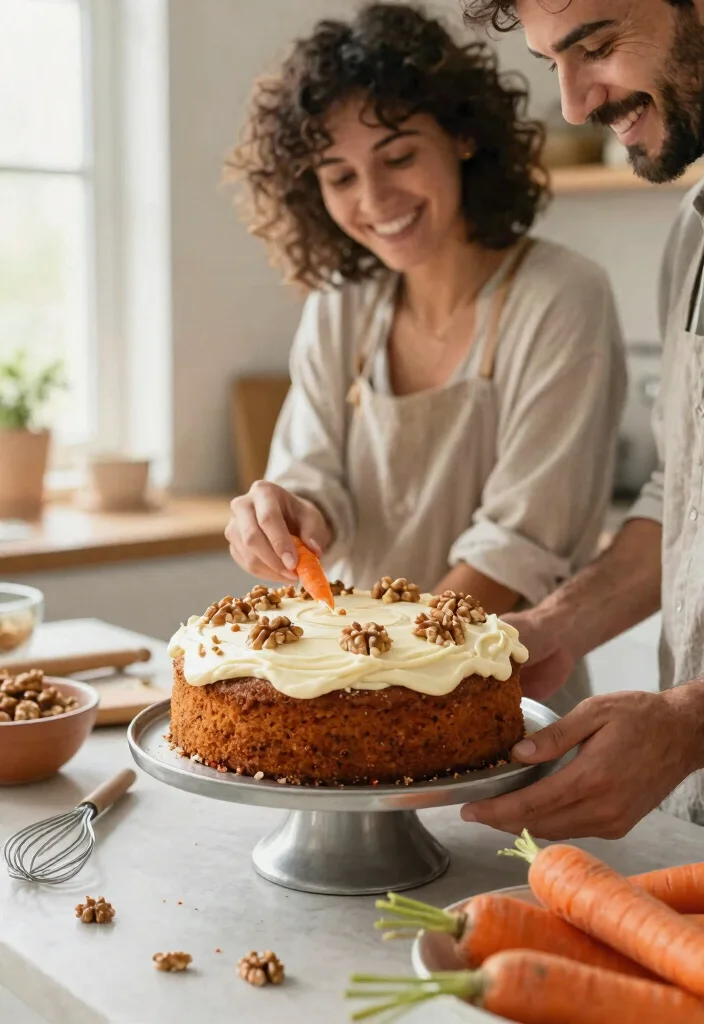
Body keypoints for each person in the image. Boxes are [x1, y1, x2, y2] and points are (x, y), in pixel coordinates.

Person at [224, 2, 626, 716]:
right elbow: (314, 477)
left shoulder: (561, 296)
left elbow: (517, 545)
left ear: (464, 136)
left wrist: (394, 673)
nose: (374, 199)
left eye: (399, 156)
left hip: (497, 696)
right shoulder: (341, 305)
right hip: (353, 686)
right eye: (339, 176)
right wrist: (289, 514)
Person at [459, 0, 704, 837]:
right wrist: (552, 626)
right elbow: (684, 492)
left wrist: (690, 721)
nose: (571, 104)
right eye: (551, 62)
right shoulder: (692, 237)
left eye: (596, 47)